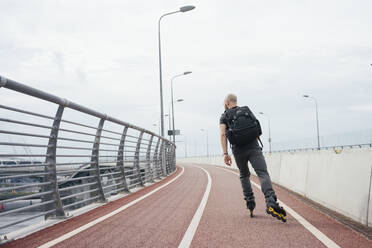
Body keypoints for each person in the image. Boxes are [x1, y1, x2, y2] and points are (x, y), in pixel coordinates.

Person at [219, 93, 286, 222]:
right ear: (235, 101)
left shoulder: (224, 116)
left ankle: (250, 202)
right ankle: (270, 200)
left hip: (238, 150)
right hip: (253, 147)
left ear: (227, 102)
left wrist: (225, 153)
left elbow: (223, 134)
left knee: (244, 175)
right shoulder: (246, 110)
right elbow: (257, 129)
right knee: (262, 173)